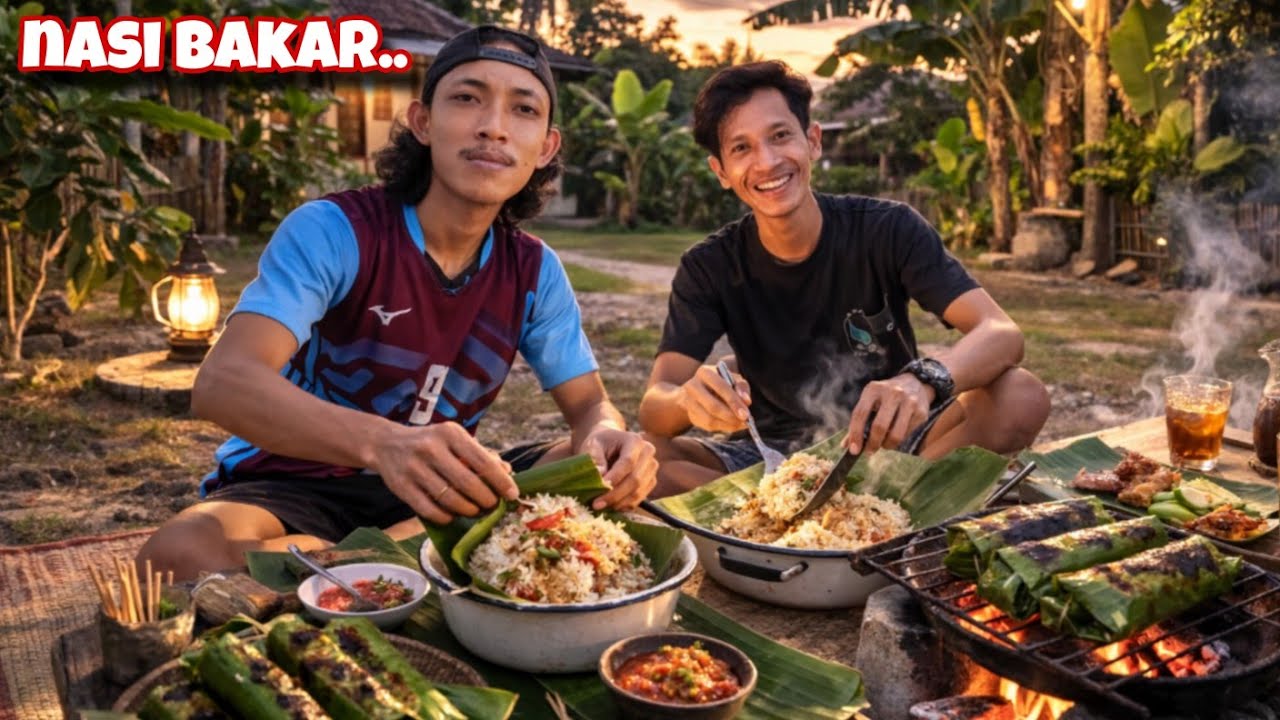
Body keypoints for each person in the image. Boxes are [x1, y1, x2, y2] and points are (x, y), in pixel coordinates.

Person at [139, 25, 657, 580]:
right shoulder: (338, 231)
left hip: (442, 490)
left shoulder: (534, 270)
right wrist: (385, 444)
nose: (494, 127)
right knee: (178, 555)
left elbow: (587, 405)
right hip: (297, 481)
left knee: (585, 470)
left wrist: (607, 436)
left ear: (546, 147)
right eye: (467, 98)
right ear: (423, 122)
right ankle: (396, 557)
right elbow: (223, 383)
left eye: (523, 109)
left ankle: (350, 564)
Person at [638, 61, 1050, 495]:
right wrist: (688, 399)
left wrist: (921, 380)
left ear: (812, 141)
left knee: (1019, 396)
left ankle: (882, 501)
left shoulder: (887, 228)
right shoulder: (708, 266)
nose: (768, 161)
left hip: (898, 441)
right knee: (647, 455)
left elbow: (1002, 332)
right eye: (741, 148)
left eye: (780, 136)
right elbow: (654, 405)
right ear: (721, 172)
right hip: (771, 457)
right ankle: (832, 506)